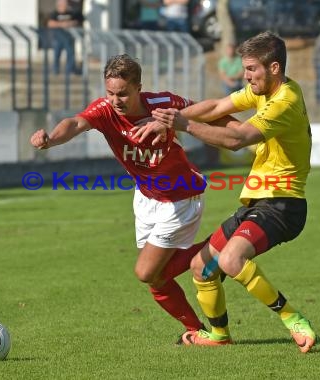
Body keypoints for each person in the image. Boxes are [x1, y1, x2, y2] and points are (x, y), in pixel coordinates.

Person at [133, 31, 316, 352]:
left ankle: (293, 319)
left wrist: (183, 125)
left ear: (274, 68)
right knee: (201, 267)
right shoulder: (264, 90)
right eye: (245, 69)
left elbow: (237, 139)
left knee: (231, 260)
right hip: (258, 200)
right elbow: (218, 106)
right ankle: (219, 335)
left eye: (251, 69)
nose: (245, 76)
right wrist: (164, 120)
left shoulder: (285, 101)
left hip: (283, 203)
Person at [30, 54, 212, 342]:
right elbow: (75, 124)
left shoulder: (161, 104)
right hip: (146, 198)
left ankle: (218, 249)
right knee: (156, 282)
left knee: (146, 272)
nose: (116, 100)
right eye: (110, 92)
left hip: (180, 196)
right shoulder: (105, 111)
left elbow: (205, 110)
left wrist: (183, 123)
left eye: (123, 93)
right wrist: (51, 139)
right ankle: (196, 331)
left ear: (139, 87)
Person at [47, 0, 84, 75]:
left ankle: (70, 71)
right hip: (58, 38)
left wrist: (71, 23)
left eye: (65, 4)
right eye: (62, 4)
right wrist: (62, 24)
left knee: (70, 54)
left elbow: (79, 20)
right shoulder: (54, 14)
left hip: (68, 38)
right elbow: (50, 24)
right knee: (56, 55)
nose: (64, 5)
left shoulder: (72, 13)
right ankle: (55, 71)